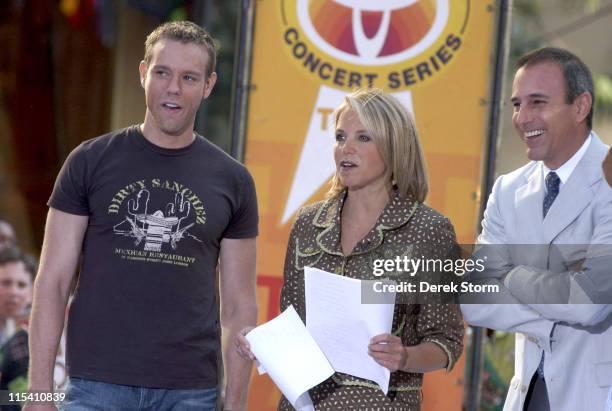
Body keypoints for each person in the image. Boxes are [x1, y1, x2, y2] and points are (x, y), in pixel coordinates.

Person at [25, 21, 258, 411]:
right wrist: (40, 394)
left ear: (209, 86)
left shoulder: (234, 180)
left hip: (190, 392)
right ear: (142, 73)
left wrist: (235, 404)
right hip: (94, 386)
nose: (173, 88)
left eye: (189, 77)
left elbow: (239, 307)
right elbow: (53, 282)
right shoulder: (88, 161)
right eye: (162, 72)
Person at [238, 88, 464, 410]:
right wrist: (262, 342)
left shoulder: (429, 230)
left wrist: (406, 356)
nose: (347, 148)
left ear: (394, 146)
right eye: (341, 137)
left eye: (363, 138)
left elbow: (447, 340)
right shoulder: (307, 223)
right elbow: (294, 325)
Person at [461, 47, 612, 411]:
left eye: (537, 102)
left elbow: (590, 304)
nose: (523, 117)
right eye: (516, 104)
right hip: (528, 394)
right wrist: (559, 304)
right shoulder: (507, 189)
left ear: (580, 106)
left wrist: (509, 272)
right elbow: (473, 298)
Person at [0, 246, 36, 411]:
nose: (14, 292)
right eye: (6, 283)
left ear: (31, 292)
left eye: (21, 285)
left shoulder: (33, 334)